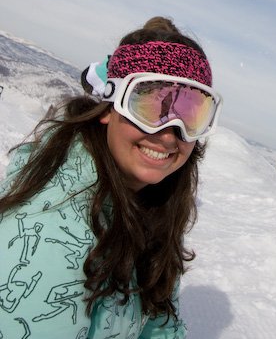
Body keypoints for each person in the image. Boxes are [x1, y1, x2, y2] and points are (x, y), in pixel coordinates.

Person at [0, 17, 222, 338]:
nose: (170, 135)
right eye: (149, 105)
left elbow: (159, 318)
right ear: (108, 108)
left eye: (190, 113)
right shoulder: (51, 237)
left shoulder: (153, 199)